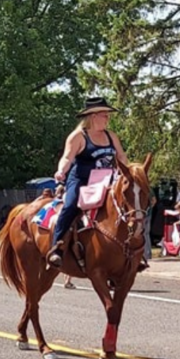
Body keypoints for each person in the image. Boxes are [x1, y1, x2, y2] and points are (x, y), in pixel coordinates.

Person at [47, 96, 128, 267]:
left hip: (107, 180)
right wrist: (61, 171)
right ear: (93, 117)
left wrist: (129, 173)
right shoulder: (78, 136)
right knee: (70, 205)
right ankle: (57, 246)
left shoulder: (111, 136)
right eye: (105, 115)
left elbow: (121, 156)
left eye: (108, 115)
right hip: (82, 181)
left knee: (127, 207)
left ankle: (130, 252)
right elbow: (67, 158)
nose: (108, 118)